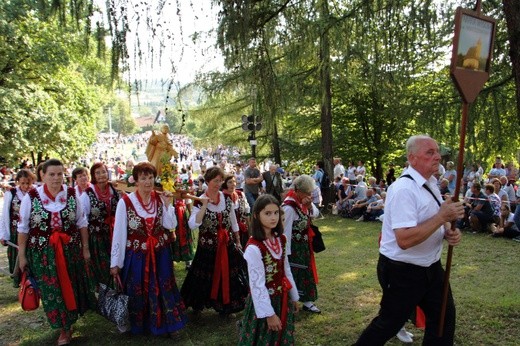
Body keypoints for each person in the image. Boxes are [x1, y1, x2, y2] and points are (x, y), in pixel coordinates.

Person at [355, 135, 464, 345]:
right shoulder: (404, 189)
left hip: (431, 267)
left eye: (437, 151)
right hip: (402, 271)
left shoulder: (430, 183)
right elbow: (404, 239)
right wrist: (442, 217)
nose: (437, 157)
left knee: (443, 319)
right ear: (413, 159)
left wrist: (448, 231)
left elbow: (432, 219)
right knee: (389, 323)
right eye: (429, 152)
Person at [17, 159, 96, 346]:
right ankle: (63, 328)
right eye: (51, 174)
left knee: (70, 285)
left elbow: (82, 223)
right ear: (42, 175)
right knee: (52, 289)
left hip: (69, 251)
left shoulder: (71, 194)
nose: (56, 178)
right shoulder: (32, 197)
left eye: (59, 174)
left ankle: (67, 325)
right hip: (43, 254)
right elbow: (23, 228)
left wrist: (85, 249)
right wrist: (22, 256)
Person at [110, 162, 187, 337]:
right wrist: (116, 263)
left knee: (164, 287)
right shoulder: (126, 202)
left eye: (151, 177)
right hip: (137, 256)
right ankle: (140, 324)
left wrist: (168, 205)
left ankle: (169, 324)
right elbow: (119, 234)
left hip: (160, 254)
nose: (147, 182)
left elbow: (170, 225)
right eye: (143, 178)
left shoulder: (160, 198)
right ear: (135, 180)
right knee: (138, 288)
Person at [180, 166, 248, 316]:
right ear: (208, 181)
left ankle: (226, 305)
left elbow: (233, 220)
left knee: (228, 274)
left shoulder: (227, 198)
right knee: (204, 275)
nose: (218, 184)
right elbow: (193, 224)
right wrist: (204, 205)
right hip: (207, 246)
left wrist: (237, 239)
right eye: (215, 181)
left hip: (226, 244)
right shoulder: (199, 200)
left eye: (220, 181)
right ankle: (199, 303)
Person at [238, 194, 300, 345]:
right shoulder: (254, 247)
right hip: (264, 302)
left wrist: (294, 296)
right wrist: (269, 314)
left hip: (281, 298)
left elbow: (285, 269)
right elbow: (257, 285)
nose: (273, 217)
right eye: (267, 213)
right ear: (256, 216)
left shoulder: (281, 239)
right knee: (264, 338)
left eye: (276, 213)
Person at [282, 175, 321, 313]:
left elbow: (315, 214)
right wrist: (285, 254)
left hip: (304, 246)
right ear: (298, 190)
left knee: (305, 272)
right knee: (293, 273)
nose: (309, 195)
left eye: (310, 192)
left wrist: (309, 205)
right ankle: (291, 301)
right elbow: (284, 232)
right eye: (307, 192)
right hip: (293, 248)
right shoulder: (289, 207)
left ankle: (307, 301)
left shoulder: (302, 203)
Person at [80, 162, 120, 288]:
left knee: (118, 265)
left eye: (103, 171)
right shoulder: (87, 194)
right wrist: (85, 246)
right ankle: (107, 297)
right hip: (98, 238)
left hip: (115, 235)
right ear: (93, 175)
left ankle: (120, 293)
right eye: (97, 173)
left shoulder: (114, 189)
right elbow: (83, 219)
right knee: (104, 268)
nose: (101, 175)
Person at [0, 169, 35, 287]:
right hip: (16, 231)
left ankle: (32, 282)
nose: (25, 186)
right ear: (18, 182)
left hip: (32, 231)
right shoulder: (12, 193)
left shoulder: (35, 192)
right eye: (23, 183)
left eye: (28, 183)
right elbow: (5, 215)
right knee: (17, 257)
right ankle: (19, 282)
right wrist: (4, 234)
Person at [221, 175, 250, 248]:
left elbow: (247, 210)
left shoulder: (240, 194)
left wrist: (248, 226)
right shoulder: (222, 196)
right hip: (228, 231)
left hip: (242, 228)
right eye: (230, 182)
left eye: (234, 181)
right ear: (225, 184)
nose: (233, 184)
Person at [171, 196, 196, 270]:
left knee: (186, 236)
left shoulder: (184, 186)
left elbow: (188, 202)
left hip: (183, 215)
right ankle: (171, 260)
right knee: (171, 237)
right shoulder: (167, 186)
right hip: (172, 214)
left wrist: (191, 213)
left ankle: (188, 261)